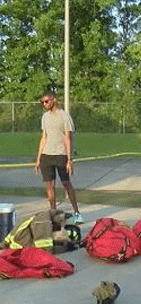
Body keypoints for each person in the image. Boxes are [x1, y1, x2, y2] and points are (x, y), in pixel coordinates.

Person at [34, 91, 83, 225]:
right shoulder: (45, 117)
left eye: (46, 101)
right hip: (47, 155)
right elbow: (44, 137)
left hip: (61, 155)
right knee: (50, 186)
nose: (44, 104)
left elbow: (68, 137)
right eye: (42, 102)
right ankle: (53, 213)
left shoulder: (64, 116)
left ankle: (77, 212)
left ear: (53, 100)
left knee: (66, 183)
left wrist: (69, 159)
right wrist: (38, 158)